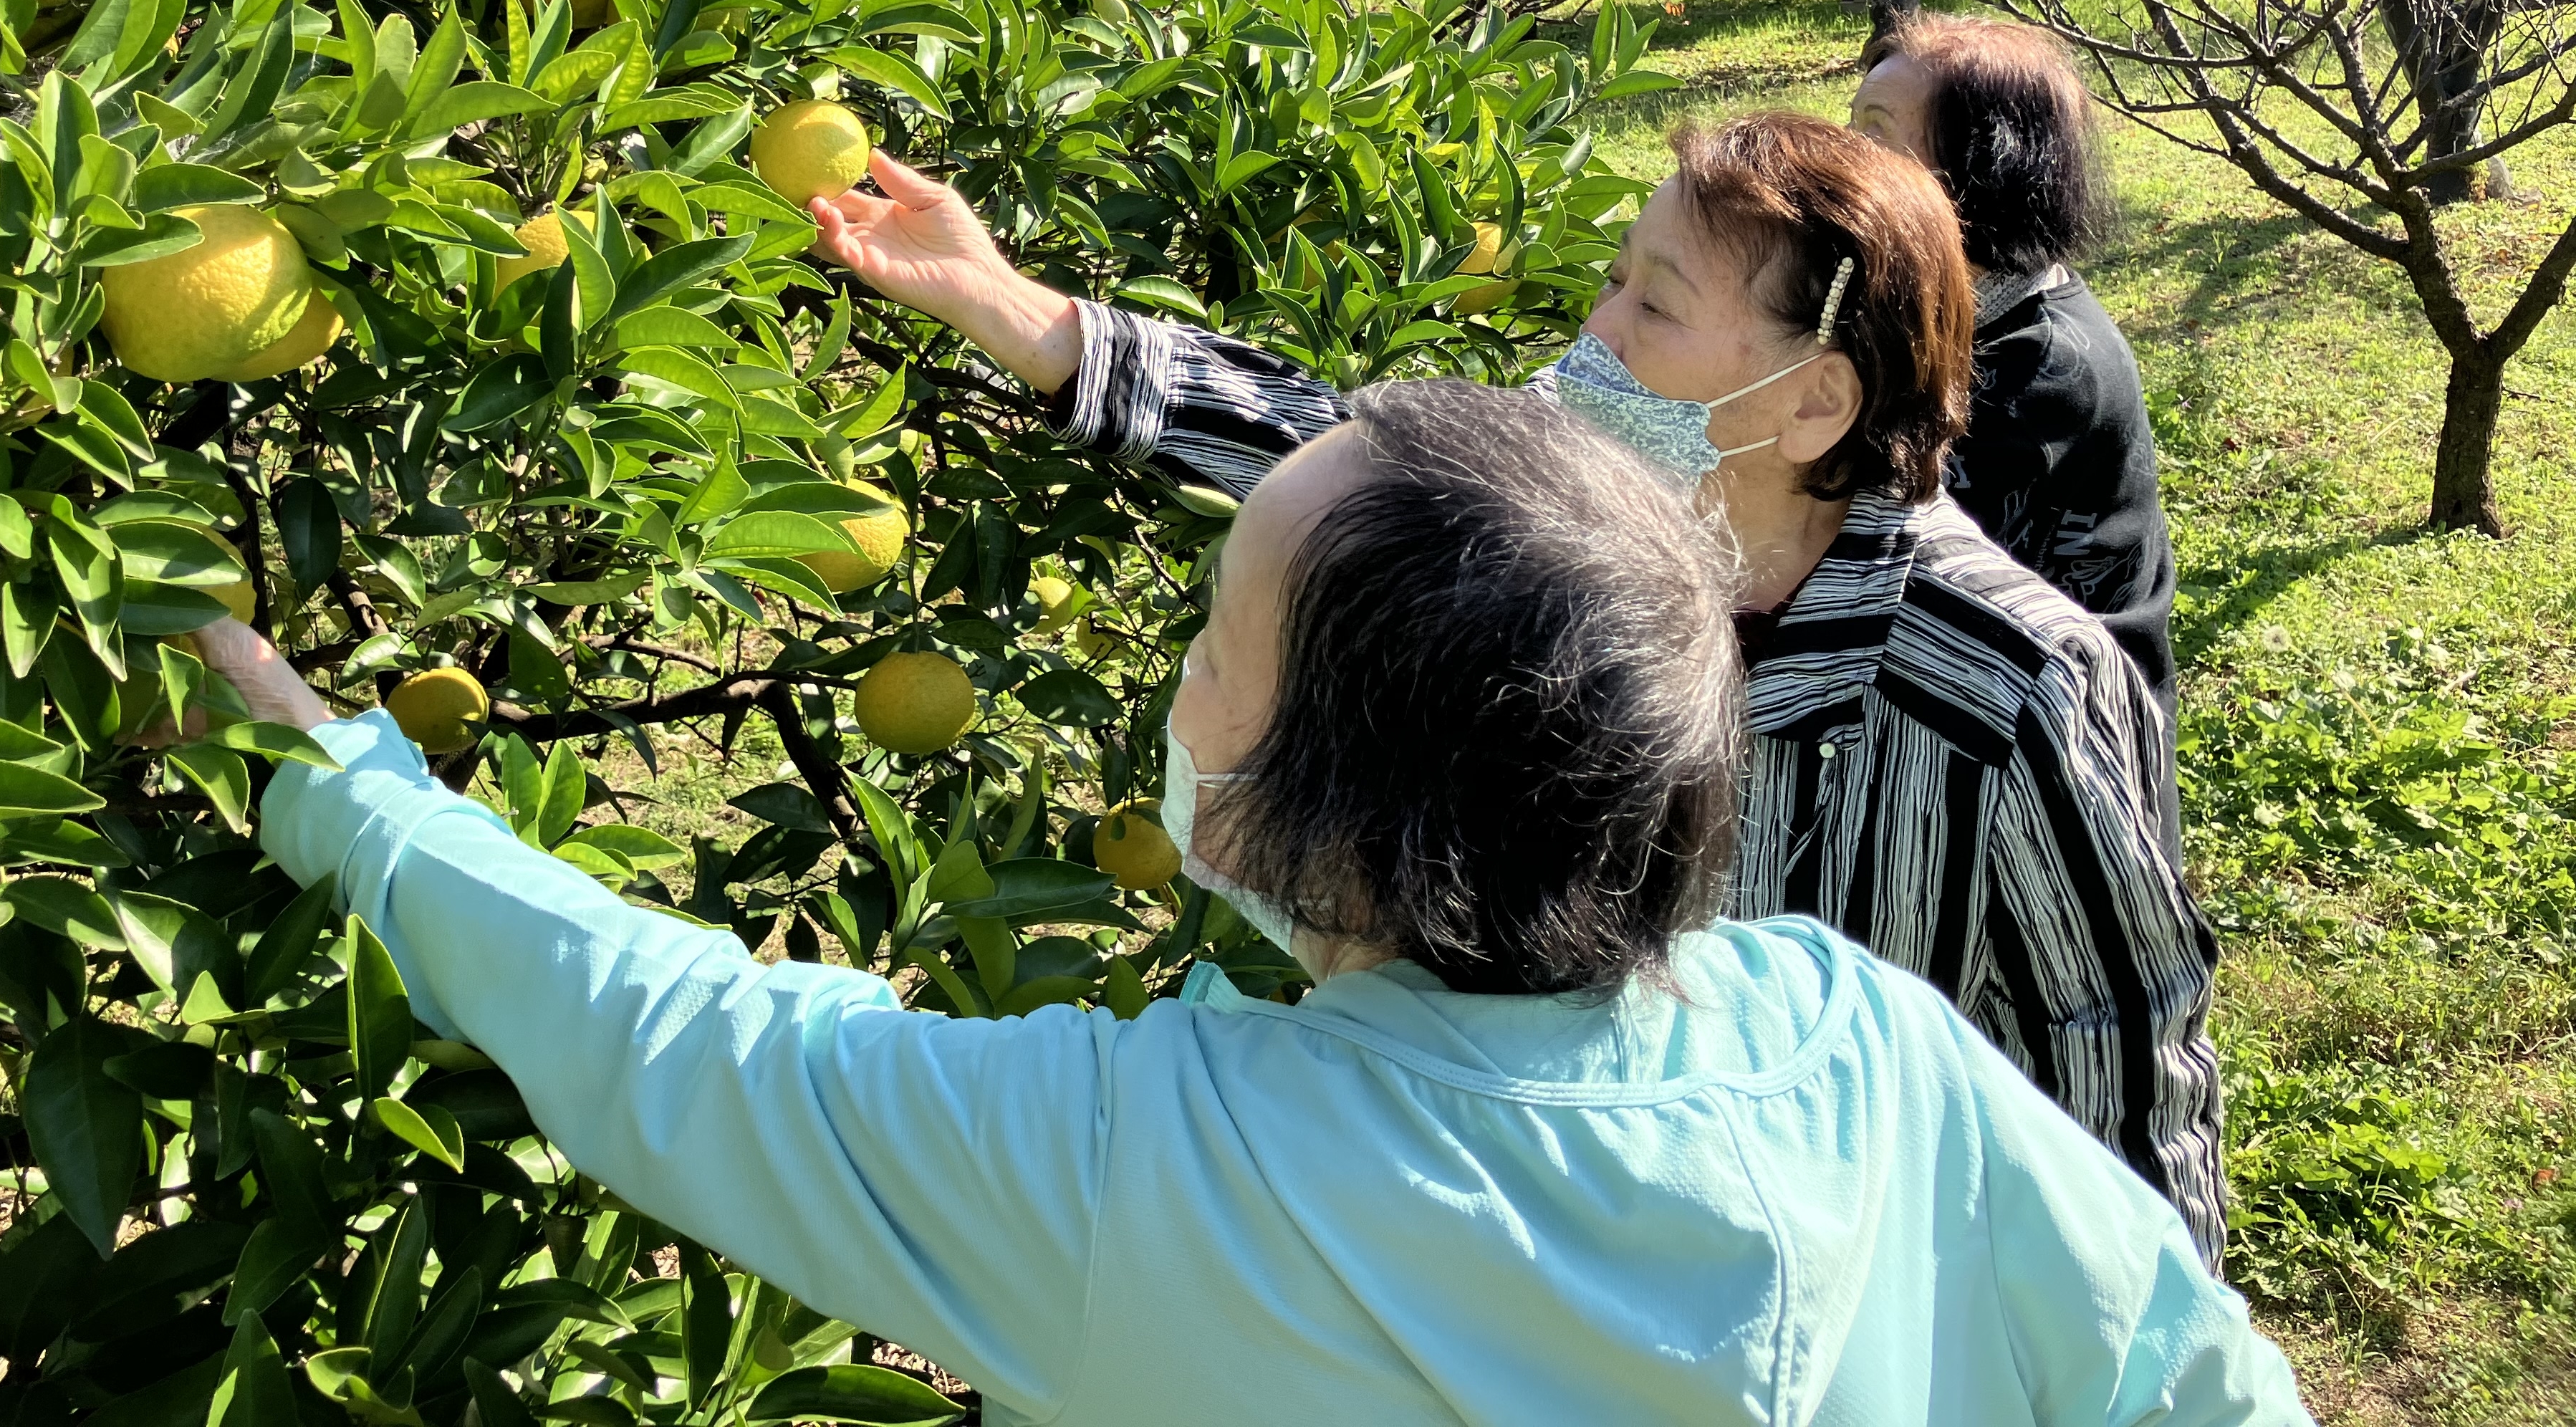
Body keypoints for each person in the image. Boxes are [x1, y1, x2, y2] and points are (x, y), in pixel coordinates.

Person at [209, 384, 2307, 1426]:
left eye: (1218, 644)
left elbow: (688, 1044)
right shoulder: (1843, 1036)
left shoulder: (1150, 1166)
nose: (1174, 686)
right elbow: (2189, 1375)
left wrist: (349, 787)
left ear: (1327, 796)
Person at [812, 112, 2229, 1267]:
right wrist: (1018, 310)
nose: (1594, 333)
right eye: (1616, 278)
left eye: (1654, 305)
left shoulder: (2006, 691)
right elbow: (1336, 468)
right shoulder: (1582, 529)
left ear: (1812, 404)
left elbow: (2122, 1074)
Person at [1850, 16, 2180, 829]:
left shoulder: (2045, 370)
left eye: (1878, 139)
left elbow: (1869, 545)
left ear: (1977, 176)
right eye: (1850, 125)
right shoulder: (1933, 301)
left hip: (2058, 766)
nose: (1843, 161)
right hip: (1965, 707)